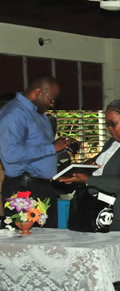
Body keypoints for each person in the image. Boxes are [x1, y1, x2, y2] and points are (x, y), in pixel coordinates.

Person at [59, 99, 120, 291]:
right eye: (107, 124)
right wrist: (84, 169)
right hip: (105, 212)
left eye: (113, 123)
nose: (110, 129)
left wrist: (89, 178)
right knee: (110, 268)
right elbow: (102, 168)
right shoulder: (113, 143)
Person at [0, 75, 74, 226]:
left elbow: (41, 151)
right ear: (38, 92)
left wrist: (63, 149)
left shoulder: (40, 116)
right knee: (26, 245)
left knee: (48, 243)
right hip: (24, 189)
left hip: (44, 188)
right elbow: (10, 154)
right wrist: (52, 147)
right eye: (51, 100)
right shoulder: (14, 114)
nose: (52, 105)